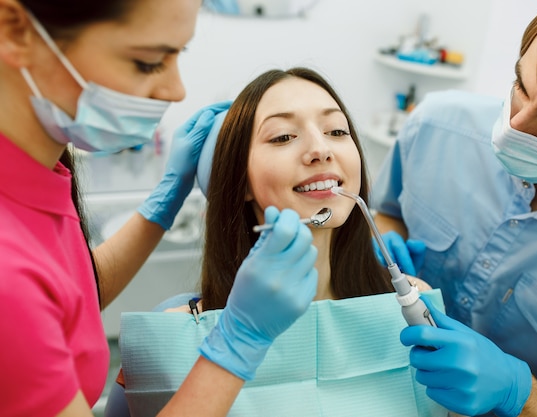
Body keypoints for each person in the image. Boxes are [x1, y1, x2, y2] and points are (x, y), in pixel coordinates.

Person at [0, 2, 318, 416]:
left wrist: (163, 203)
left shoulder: (42, 170)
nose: (176, 90)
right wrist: (239, 339)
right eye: (149, 61)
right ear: (15, 29)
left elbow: (69, 294)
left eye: (336, 130)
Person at [106, 67, 442, 416]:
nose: (320, 149)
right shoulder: (172, 331)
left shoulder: (414, 307)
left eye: (337, 130)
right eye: (283, 137)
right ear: (242, 182)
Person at [371, 0, 537, 416]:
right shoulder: (436, 125)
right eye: (520, 86)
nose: (516, 124)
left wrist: (518, 393)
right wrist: (385, 241)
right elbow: (387, 212)